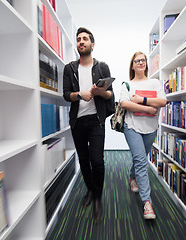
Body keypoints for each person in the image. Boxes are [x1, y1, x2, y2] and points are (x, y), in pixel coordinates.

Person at [63, 27, 114, 221]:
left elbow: (111, 95)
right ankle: (90, 191)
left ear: (92, 44)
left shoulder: (102, 67)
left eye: (85, 39)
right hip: (77, 122)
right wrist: (79, 95)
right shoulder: (69, 68)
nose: (81, 41)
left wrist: (101, 93)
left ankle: (98, 197)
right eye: (78, 39)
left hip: (96, 121)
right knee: (83, 161)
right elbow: (66, 94)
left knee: (97, 161)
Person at [120, 51, 167, 219]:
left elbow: (163, 101)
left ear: (146, 63)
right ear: (132, 65)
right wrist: (148, 108)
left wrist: (142, 100)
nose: (140, 62)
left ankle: (132, 176)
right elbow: (125, 103)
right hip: (131, 127)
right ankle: (147, 203)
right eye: (137, 61)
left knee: (140, 157)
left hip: (150, 127)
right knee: (141, 161)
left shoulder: (154, 83)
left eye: (143, 60)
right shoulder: (127, 84)